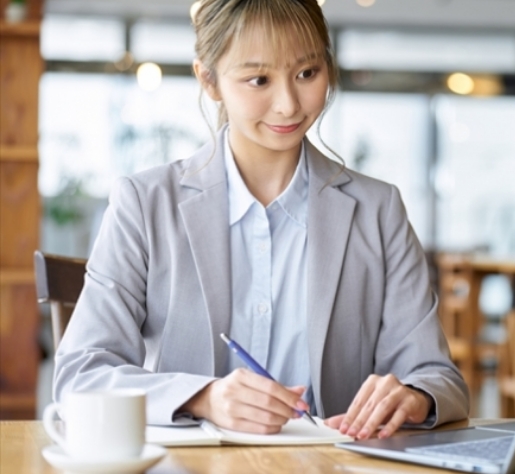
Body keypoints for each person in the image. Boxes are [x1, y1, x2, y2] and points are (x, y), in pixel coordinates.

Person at [53, 0, 469, 440]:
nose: (288, 104)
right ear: (208, 80)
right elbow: (80, 375)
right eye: (259, 79)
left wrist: (412, 395)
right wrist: (204, 397)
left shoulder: (378, 210)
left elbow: (437, 376)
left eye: (307, 73)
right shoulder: (144, 204)